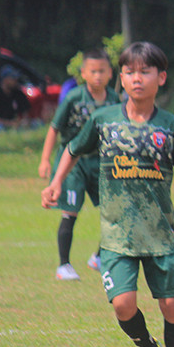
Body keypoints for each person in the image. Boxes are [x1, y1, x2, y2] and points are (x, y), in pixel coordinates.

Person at [41, 41, 174, 347]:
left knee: (171, 306)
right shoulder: (103, 120)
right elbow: (72, 148)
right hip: (116, 234)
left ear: (161, 78)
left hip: (159, 234)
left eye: (145, 72)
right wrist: (55, 182)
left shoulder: (171, 126)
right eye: (130, 72)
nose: (136, 78)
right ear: (122, 78)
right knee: (123, 304)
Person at [38, 49, 121, 280]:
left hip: (101, 162)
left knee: (116, 210)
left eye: (102, 71)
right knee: (70, 212)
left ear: (110, 73)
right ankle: (63, 265)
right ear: (84, 73)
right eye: (93, 71)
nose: (97, 76)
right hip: (72, 162)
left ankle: (99, 257)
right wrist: (45, 160)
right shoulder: (74, 97)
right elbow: (54, 128)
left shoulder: (114, 99)